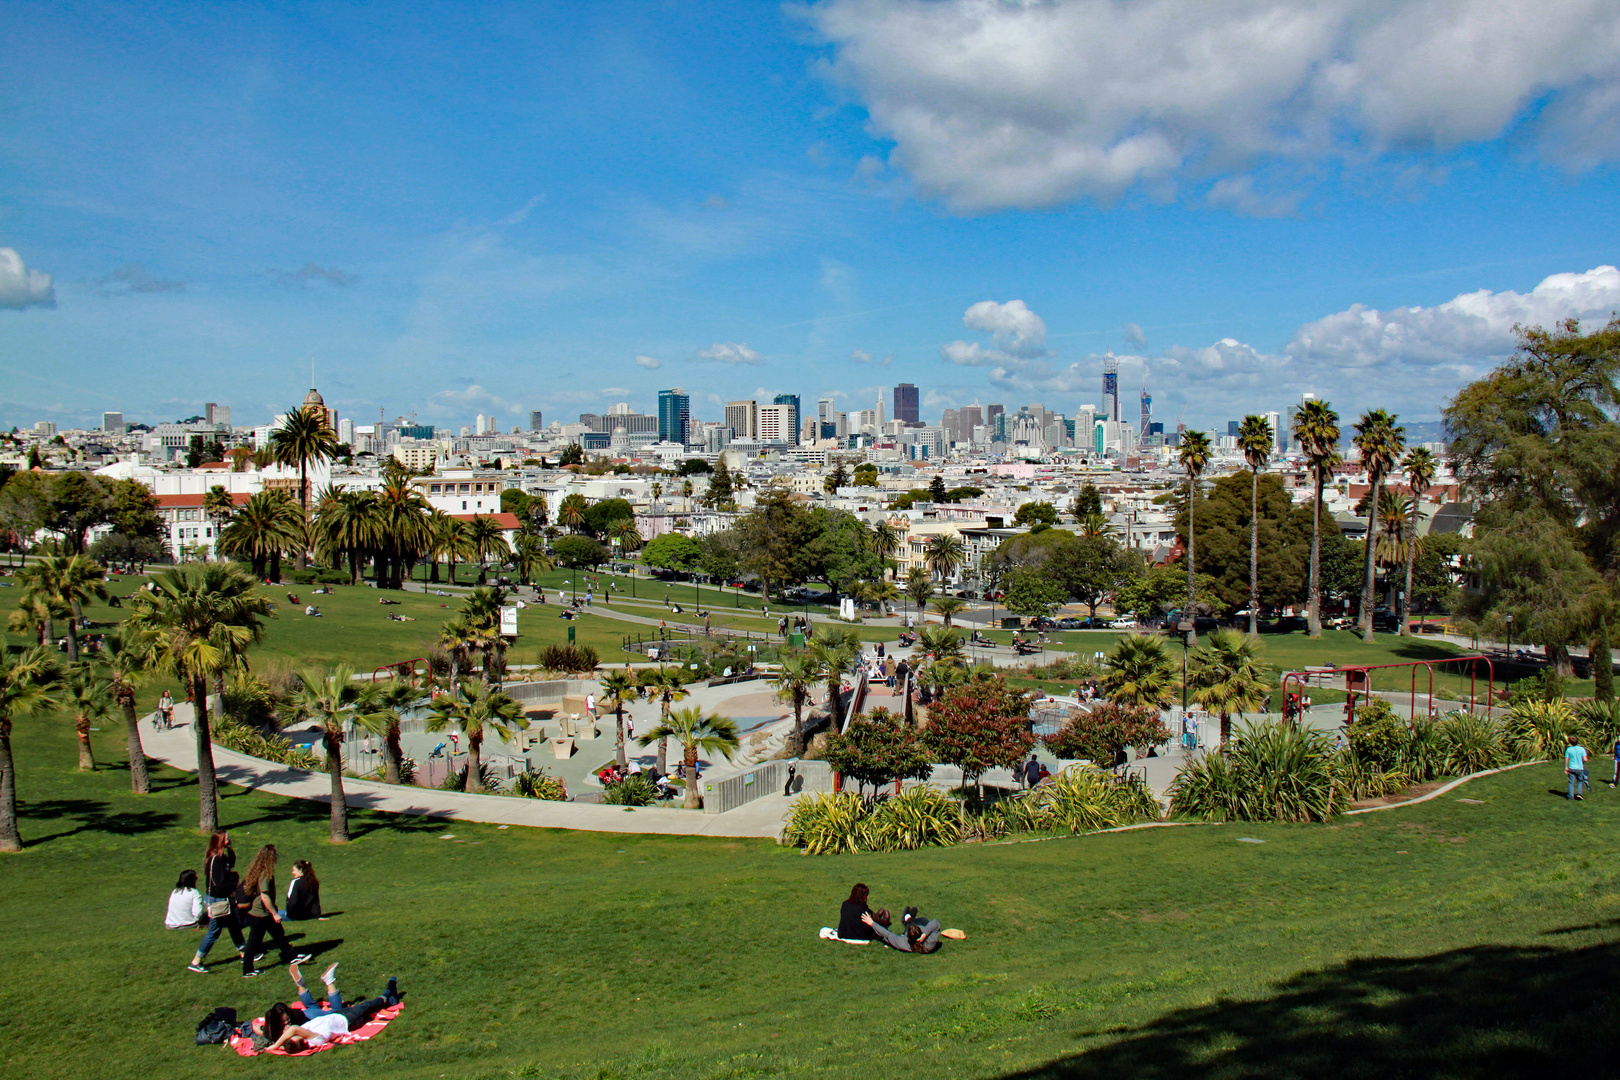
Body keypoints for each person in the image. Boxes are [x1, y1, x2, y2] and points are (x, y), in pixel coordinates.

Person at [259, 963, 402, 1054]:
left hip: (334, 1016)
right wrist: (275, 1046)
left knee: (368, 1006)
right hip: (348, 1019)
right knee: (369, 1005)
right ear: (301, 1041)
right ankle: (387, 993)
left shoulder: (299, 1032)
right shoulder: (314, 1040)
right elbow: (293, 1030)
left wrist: (275, 1044)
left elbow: (288, 1031)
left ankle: (390, 997)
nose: (290, 1034)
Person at [239, 845, 312, 976]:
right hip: (260, 914)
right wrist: (274, 913)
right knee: (253, 943)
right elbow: (264, 896)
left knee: (278, 934)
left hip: (262, 913)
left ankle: (291, 956)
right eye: (275, 856)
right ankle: (247, 970)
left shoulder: (258, 870)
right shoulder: (265, 874)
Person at [191, 831, 246, 972]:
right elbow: (219, 883)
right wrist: (234, 885)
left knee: (234, 925)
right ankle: (196, 961)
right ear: (220, 840)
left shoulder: (223, 857)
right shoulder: (215, 859)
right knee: (214, 931)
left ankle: (245, 954)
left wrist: (230, 849)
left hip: (224, 897)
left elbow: (231, 863)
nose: (230, 839)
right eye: (227, 838)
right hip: (217, 899)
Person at [861, 907, 942, 953]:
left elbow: (887, 934)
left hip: (912, 925)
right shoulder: (929, 945)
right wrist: (925, 934)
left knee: (909, 922)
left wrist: (872, 923)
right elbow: (935, 923)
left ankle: (907, 917)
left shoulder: (902, 942)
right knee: (924, 919)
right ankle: (910, 916)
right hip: (924, 926)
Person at [1566, 735, 1591, 801]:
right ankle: (1579, 794)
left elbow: (1567, 759)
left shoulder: (1568, 749)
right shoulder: (1582, 749)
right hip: (1580, 768)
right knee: (1580, 781)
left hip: (1571, 768)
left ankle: (1570, 796)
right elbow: (1585, 759)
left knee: (1571, 782)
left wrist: (1566, 767)